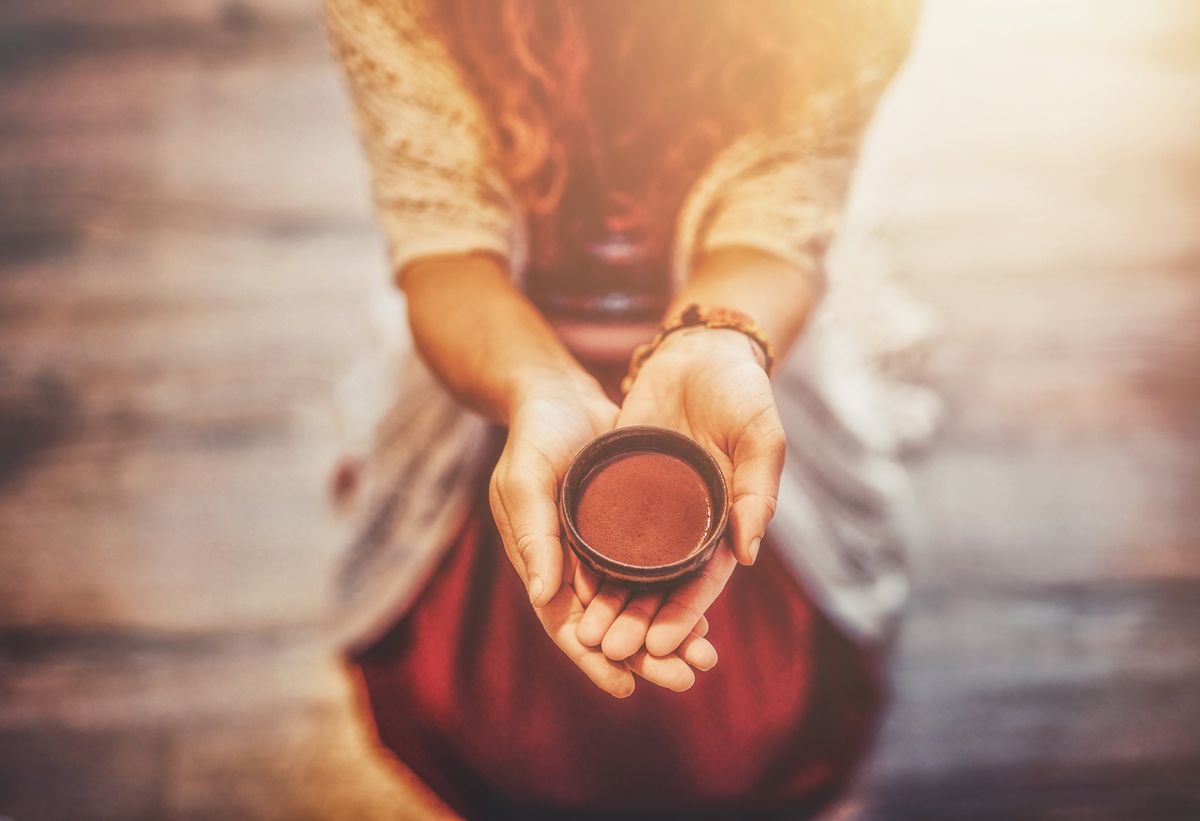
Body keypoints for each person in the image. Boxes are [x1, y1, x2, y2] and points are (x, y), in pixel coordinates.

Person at [324, 0, 939, 817]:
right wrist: (533, 383)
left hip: (736, 337)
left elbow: (773, 233)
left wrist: (718, 340)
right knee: (482, 706)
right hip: (499, 342)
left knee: (756, 721)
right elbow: (443, 256)